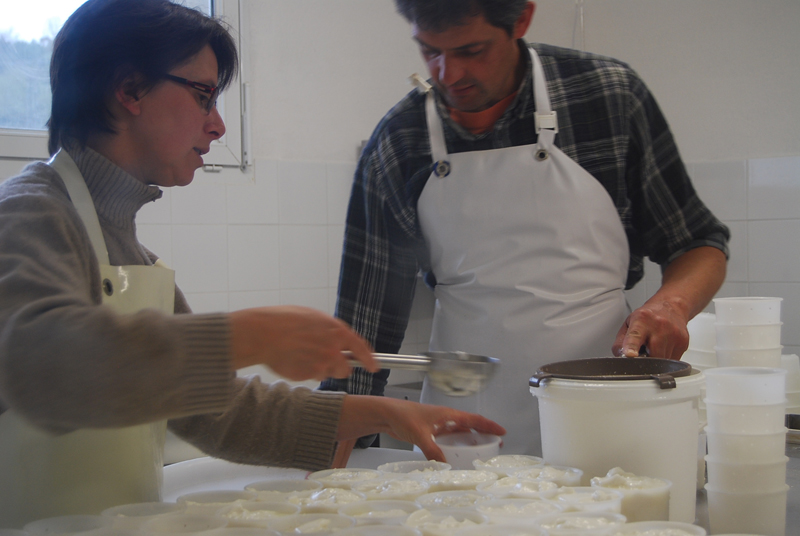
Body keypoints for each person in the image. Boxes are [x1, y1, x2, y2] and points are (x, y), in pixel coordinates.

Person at [0, 0, 505, 528]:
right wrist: (248, 336)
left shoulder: (128, 250)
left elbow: (214, 409)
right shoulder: (29, 212)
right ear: (128, 91)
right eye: (203, 95)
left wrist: (381, 413)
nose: (217, 126)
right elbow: (41, 367)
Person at [321, 0, 729, 461]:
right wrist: (333, 474)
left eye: (472, 50)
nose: (448, 74)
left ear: (521, 20)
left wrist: (670, 305)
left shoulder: (607, 97)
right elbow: (364, 330)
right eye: (429, 51)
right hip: (464, 436)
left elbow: (698, 241)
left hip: (603, 411)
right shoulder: (400, 139)